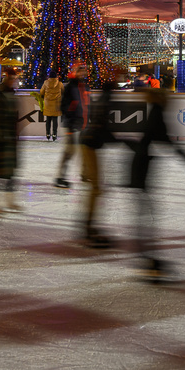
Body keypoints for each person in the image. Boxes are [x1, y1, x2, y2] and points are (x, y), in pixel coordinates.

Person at [128, 88, 185, 282]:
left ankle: (147, 259)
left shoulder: (156, 112)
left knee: (146, 214)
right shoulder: (158, 114)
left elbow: (161, 140)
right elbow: (167, 141)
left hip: (140, 169)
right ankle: (147, 262)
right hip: (141, 171)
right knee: (145, 215)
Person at [79, 81, 118, 247]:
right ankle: (87, 226)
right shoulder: (106, 101)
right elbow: (103, 128)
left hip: (88, 143)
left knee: (96, 188)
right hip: (89, 144)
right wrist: (124, 141)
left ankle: (88, 224)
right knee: (96, 188)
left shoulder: (102, 98)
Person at [0, 69, 21, 215]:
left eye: (16, 78)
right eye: (13, 78)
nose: (15, 80)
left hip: (10, 138)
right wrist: (2, 134)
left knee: (10, 173)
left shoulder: (12, 95)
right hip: (1, 139)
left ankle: (10, 201)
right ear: (7, 78)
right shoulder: (1, 95)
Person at [55, 64, 89, 189]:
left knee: (86, 150)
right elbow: (64, 105)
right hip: (72, 124)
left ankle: (85, 174)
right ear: (75, 72)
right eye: (80, 71)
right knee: (70, 151)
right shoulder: (70, 87)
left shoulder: (84, 86)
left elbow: (86, 104)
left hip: (83, 123)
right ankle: (60, 177)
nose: (82, 74)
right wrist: (69, 120)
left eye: (84, 72)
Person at [39, 71, 63, 141]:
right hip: (56, 104)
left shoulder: (46, 83)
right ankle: (54, 134)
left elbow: (41, 92)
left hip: (48, 103)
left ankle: (48, 133)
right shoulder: (59, 83)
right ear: (56, 76)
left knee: (48, 119)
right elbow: (63, 91)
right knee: (55, 119)